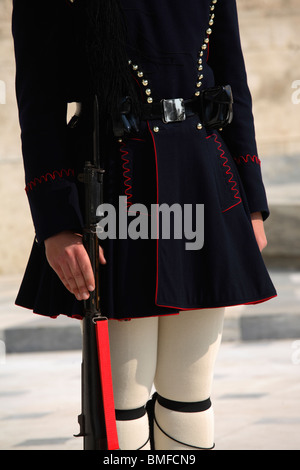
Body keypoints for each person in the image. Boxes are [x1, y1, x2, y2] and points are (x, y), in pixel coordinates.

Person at [12, 0, 277, 450]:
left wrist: (252, 204)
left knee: (189, 394)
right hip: (117, 182)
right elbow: (39, 105)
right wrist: (57, 223)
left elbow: (234, 83)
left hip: (204, 177)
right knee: (121, 400)